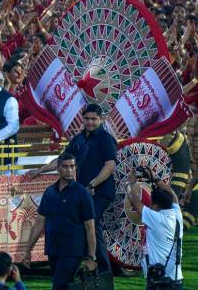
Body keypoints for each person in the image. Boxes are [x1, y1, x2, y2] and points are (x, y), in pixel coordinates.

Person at [28, 104, 116, 273]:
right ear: (82, 119)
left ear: (101, 119)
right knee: (92, 227)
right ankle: (98, 267)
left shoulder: (106, 139)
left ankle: (97, 266)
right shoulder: (79, 139)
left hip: (100, 192)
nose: (90, 122)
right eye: (87, 119)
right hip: (85, 192)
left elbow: (110, 165)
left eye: (93, 119)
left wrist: (93, 184)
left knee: (91, 224)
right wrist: (39, 171)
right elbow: (62, 160)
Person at [23, 153, 97, 290]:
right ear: (57, 168)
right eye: (65, 167)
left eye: (72, 166)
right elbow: (40, 222)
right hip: (54, 249)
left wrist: (91, 257)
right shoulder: (50, 192)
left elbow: (90, 227)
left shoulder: (82, 193)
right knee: (63, 285)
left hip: (73, 250)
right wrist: (28, 250)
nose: (69, 170)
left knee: (59, 284)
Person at [127, 166, 183, 289]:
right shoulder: (176, 214)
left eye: (151, 204)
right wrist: (155, 178)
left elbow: (135, 203)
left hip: (160, 283)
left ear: (156, 206)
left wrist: (131, 182)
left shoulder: (157, 220)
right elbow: (173, 196)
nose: (150, 206)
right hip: (176, 280)